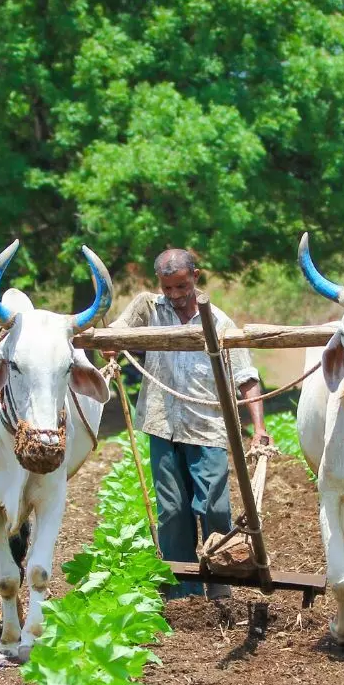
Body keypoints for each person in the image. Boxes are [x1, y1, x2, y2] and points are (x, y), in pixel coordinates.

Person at [106, 248, 268, 600]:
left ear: (196, 276)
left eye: (181, 286)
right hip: (162, 425)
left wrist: (258, 429)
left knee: (214, 507)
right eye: (168, 289)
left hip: (208, 427)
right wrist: (109, 346)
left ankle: (222, 586)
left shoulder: (220, 324)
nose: (175, 296)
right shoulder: (148, 309)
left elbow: (247, 378)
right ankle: (183, 595)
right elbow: (114, 336)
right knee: (173, 511)